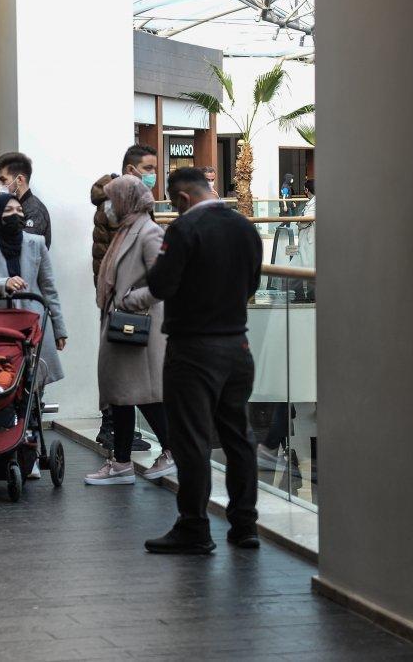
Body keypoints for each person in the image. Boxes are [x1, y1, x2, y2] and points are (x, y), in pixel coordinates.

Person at [143, 167, 263, 554]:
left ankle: (194, 526)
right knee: (238, 436)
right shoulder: (245, 227)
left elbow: (161, 285)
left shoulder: (183, 230)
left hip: (193, 348)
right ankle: (244, 526)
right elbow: (253, 285)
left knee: (191, 438)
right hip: (237, 345)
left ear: (181, 199)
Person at [0, 192, 66, 477]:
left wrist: (59, 328)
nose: (15, 214)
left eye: (18, 209)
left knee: (33, 391)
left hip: (32, 327)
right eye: (8, 210)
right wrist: (3, 283)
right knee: (2, 387)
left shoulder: (36, 244)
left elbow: (49, 289)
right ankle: (3, 443)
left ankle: (29, 449)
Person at [84, 175, 176, 486]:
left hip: (138, 328)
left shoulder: (148, 233)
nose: (108, 206)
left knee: (144, 395)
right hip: (123, 327)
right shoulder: (126, 230)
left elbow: (163, 282)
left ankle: (172, 450)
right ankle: (121, 461)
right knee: (121, 394)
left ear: (127, 200)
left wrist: (128, 301)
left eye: (112, 199)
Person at [88, 143, 160, 453]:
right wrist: (124, 300)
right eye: (147, 169)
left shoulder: (130, 208)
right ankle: (122, 441)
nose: (153, 176)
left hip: (123, 305)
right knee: (128, 381)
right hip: (122, 306)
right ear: (131, 171)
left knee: (128, 381)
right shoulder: (120, 205)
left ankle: (122, 451)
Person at [0, 152, 52, 247]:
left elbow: (25, 247)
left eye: (3, 180)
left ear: (19, 180)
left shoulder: (34, 210)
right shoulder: (12, 206)